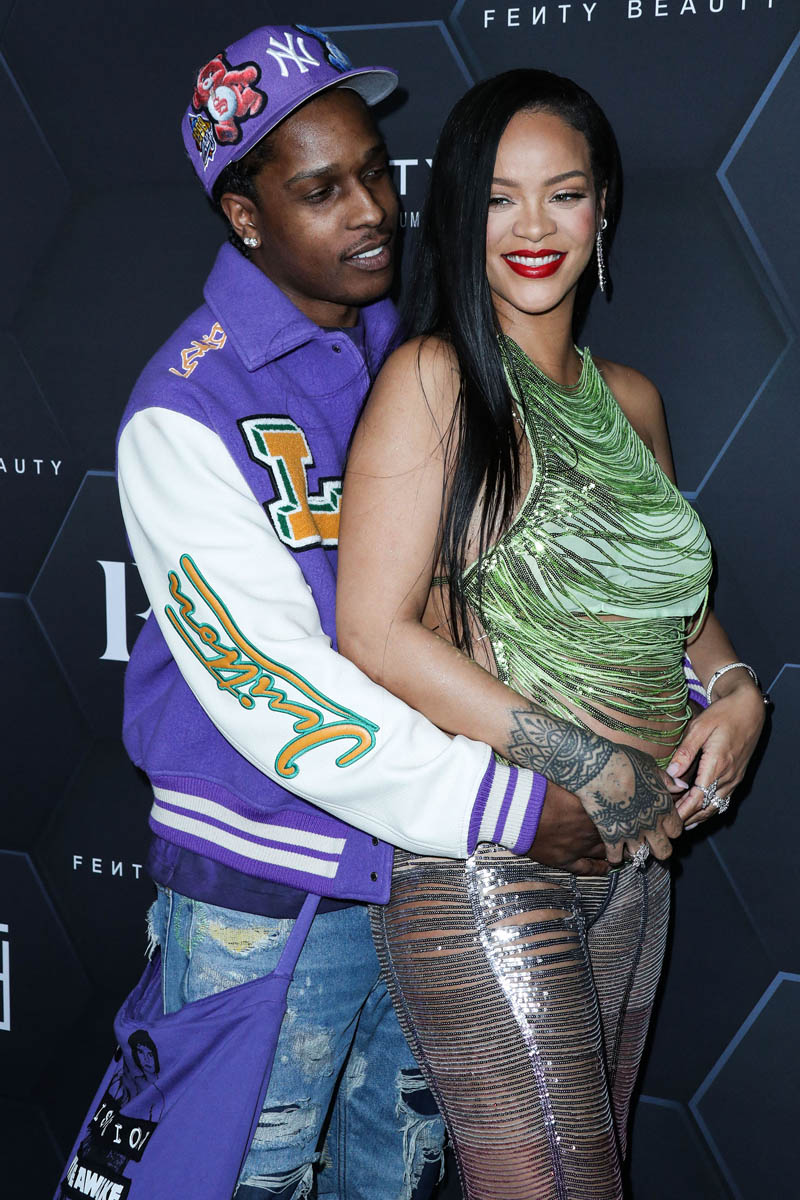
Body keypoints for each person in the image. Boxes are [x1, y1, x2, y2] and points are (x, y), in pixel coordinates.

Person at [100, 26, 626, 1200]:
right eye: (320, 190)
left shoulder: (422, 347)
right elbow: (270, 684)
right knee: (248, 1177)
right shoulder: (186, 406)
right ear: (245, 217)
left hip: (440, 871)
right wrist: (508, 803)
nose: (372, 211)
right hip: (268, 886)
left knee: (401, 1177)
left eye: (375, 173)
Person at [336, 69, 767, 1199]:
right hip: (490, 863)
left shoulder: (633, 400)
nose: (533, 228)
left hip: (635, 865)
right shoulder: (432, 379)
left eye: (563, 193)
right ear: (459, 212)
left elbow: (662, 599)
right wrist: (585, 764)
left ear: (602, 208)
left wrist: (734, 689)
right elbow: (372, 632)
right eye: (499, 198)